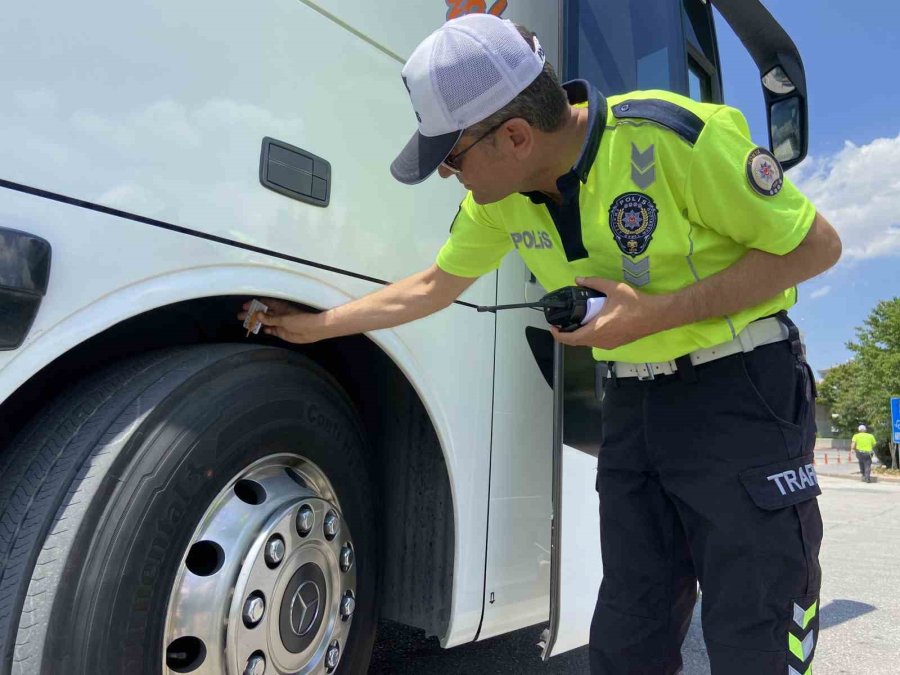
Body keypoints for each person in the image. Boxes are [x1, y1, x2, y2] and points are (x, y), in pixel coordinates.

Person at [239, 14, 842, 674]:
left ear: (517, 136)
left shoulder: (673, 138)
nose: (445, 172)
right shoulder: (501, 198)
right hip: (635, 412)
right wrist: (315, 324)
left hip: (741, 393)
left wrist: (659, 313)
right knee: (627, 634)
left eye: (450, 154)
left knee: (755, 628)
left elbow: (816, 247)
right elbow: (435, 284)